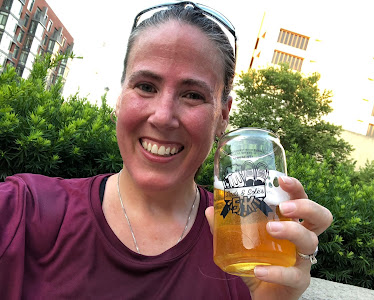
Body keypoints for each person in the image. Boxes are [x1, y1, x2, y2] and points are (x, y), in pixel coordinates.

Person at [0, 2, 333, 299]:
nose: (162, 116)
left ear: (223, 114)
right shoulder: (22, 211)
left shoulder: (245, 251)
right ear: (121, 95)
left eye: (192, 95)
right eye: (146, 86)